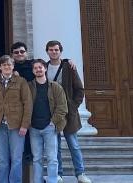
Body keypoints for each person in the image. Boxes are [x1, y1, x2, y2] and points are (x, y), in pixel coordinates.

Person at [45, 40, 91, 183]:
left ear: (60, 51)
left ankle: (80, 173)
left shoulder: (68, 67)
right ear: (47, 51)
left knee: (73, 144)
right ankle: (58, 174)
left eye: (56, 50)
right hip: (51, 112)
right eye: (51, 50)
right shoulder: (44, 67)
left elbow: (79, 89)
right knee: (55, 145)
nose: (54, 52)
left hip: (68, 112)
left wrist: (73, 106)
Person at [0, 55, 33, 183]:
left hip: (17, 126)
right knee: (2, 159)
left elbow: (28, 104)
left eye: (9, 64)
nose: (7, 67)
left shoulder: (21, 82)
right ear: (0, 67)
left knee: (16, 159)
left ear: (13, 66)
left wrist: (25, 125)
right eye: (4, 65)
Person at [28, 59, 68, 183]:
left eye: (40, 67)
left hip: (49, 127)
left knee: (52, 158)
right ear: (33, 71)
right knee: (37, 159)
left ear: (45, 69)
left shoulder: (55, 87)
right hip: (33, 127)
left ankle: (52, 181)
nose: (38, 70)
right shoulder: (29, 86)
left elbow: (62, 107)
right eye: (35, 68)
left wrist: (53, 122)